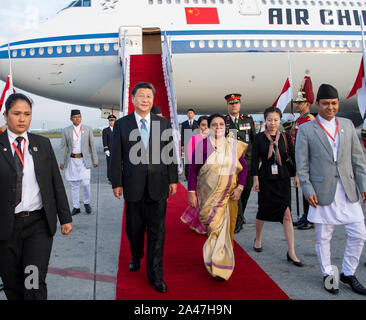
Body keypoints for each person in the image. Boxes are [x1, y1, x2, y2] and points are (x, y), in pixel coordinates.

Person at [0, 93, 73, 300]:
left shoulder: (42, 144)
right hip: (6, 227)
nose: (22, 119)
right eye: (16, 114)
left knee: (33, 281)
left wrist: (65, 217)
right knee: (12, 284)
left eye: (27, 114)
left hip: (37, 225)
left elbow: (55, 183)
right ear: (5, 115)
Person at [296, 84, 366, 295]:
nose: (330, 107)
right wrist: (307, 189)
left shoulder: (346, 125)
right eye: (326, 103)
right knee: (323, 237)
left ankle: (348, 272)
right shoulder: (307, 129)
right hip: (322, 192)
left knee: (359, 234)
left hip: (347, 190)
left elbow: (358, 160)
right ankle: (328, 274)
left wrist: (363, 186)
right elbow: (302, 164)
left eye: (334, 103)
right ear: (318, 104)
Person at [111, 82, 178, 293]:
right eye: (141, 96)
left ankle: (155, 275)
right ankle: (136, 254)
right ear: (133, 99)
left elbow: (170, 153)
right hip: (133, 186)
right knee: (134, 230)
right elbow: (116, 158)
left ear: (153, 100)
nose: (145, 100)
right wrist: (116, 182)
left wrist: (173, 179)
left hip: (158, 187)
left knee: (158, 232)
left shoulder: (163, 124)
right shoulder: (122, 125)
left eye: (149, 96)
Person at [188, 114, 248, 281]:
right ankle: (215, 258)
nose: (218, 127)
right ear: (209, 127)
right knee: (213, 228)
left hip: (230, 196)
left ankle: (220, 265)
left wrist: (241, 188)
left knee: (225, 231)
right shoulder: (203, 146)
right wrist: (191, 192)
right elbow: (192, 171)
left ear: (225, 127)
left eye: (221, 124)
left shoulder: (233, 145)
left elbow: (244, 169)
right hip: (209, 196)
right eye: (214, 124)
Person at [251, 106, 303, 267]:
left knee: (287, 214)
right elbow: (254, 160)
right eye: (269, 120)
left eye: (275, 120)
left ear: (280, 120)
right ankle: (258, 238)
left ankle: (291, 251)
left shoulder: (285, 137)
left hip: (282, 178)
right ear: (265, 121)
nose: (272, 123)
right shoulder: (259, 138)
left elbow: (294, 156)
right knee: (262, 211)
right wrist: (255, 179)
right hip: (266, 177)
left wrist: (297, 175)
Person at [286, 76, 316, 230]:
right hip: (299, 158)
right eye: (296, 103)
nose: (297, 105)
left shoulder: (310, 120)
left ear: (307, 104)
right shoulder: (299, 120)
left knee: (308, 190)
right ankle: (305, 215)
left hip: (308, 160)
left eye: (299, 103)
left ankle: (311, 218)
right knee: (304, 189)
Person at [224, 93, 256, 232]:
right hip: (231, 163)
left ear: (240, 105)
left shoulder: (247, 120)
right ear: (228, 106)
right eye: (231, 104)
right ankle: (238, 219)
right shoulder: (224, 122)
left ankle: (239, 214)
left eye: (236, 103)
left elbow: (254, 140)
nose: (234, 106)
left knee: (246, 189)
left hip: (247, 161)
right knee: (235, 189)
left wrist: (256, 161)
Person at [60, 110, 98, 216]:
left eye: (79, 117)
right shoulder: (66, 131)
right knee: (74, 184)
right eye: (75, 117)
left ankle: (86, 203)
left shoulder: (87, 129)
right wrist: (62, 161)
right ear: (71, 119)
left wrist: (95, 160)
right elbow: (63, 147)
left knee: (86, 183)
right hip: (71, 160)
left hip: (84, 160)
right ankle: (76, 207)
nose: (77, 119)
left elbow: (92, 146)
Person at [180, 115, 209, 234]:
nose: (205, 128)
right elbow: (191, 158)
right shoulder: (194, 139)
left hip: (212, 174)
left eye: (207, 125)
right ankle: (200, 224)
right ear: (198, 126)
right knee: (201, 200)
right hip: (199, 173)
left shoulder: (215, 138)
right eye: (203, 125)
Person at [181, 108, 199, 180]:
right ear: (187, 114)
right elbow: (182, 135)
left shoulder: (197, 123)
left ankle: (195, 176)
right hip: (186, 145)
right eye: (188, 113)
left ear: (193, 114)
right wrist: (182, 145)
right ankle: (187, 177)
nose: (190, 114)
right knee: (187, 162)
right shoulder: (184, 123)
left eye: (191, 113)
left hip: (195, 145)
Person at [102, 114, 116, 184]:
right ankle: (110, 178)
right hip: (109, 151)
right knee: (110, 165)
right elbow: (104, 141)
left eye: (113, 121)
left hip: (116, 151)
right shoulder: (105, 130)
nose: (111, 122)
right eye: (110, 121)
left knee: (117, 165)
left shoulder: (118, 129)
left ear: (115, 121)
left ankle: (116, 178)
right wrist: (106, 149)